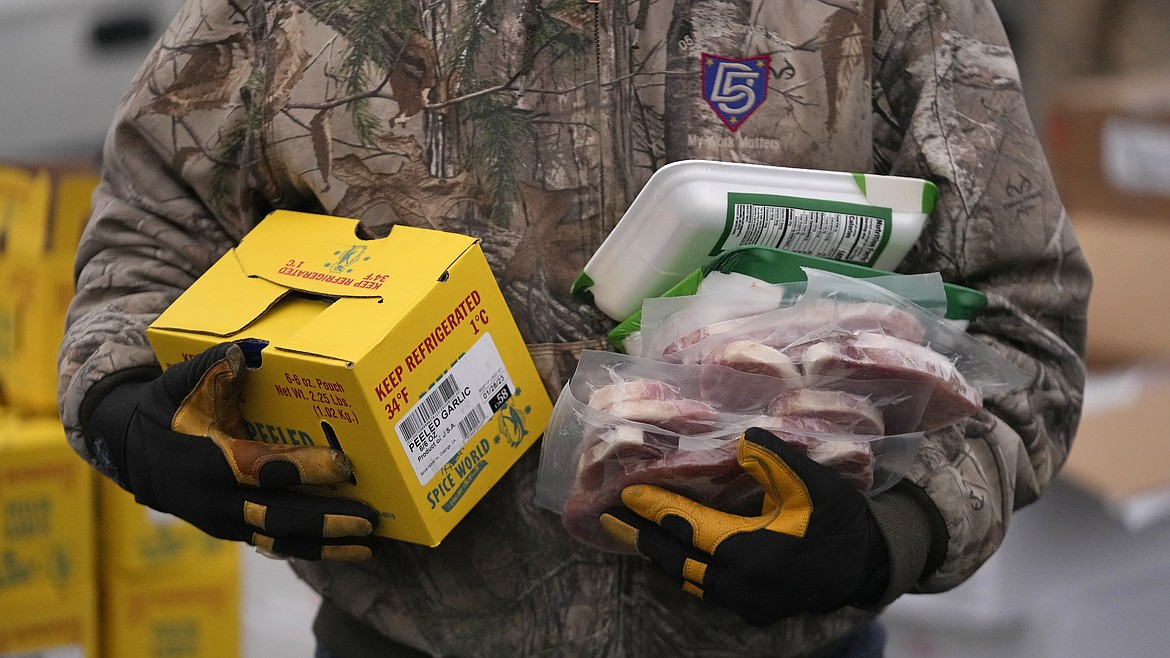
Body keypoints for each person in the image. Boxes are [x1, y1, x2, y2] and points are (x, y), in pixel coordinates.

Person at [58, 1, 1091, 656]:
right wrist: (130, 416)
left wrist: (887, 536)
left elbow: (1022, 319)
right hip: (403, 638)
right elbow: (146, 242)